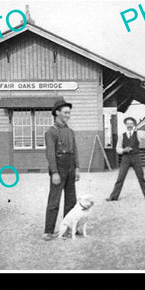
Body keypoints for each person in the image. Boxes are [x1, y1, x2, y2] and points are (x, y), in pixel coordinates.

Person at [42, 99, 80, 241]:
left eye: (69, 112)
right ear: (57, 113)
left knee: (71, 200)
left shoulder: (70, 131)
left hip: (70, 166)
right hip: (59, 166)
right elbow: (50, 154)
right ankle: (48, 231)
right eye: (65, 112)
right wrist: (54, 172)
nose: (68, 115)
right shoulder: (51, 132)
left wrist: (77, 168)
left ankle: (68, 229)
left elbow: (75, 150)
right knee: (54, 200)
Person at [106, 117, 145, 201]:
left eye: (131, 123)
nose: (129, 125)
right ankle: (113, 197)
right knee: (120, 178)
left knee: (141, 177)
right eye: (128, 123)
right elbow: (118, 148)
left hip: (136, 157)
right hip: (126, 158)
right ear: (125, 124)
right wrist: (124, 150)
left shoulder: (138, 134)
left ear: (133, 125)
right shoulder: (122, 136)